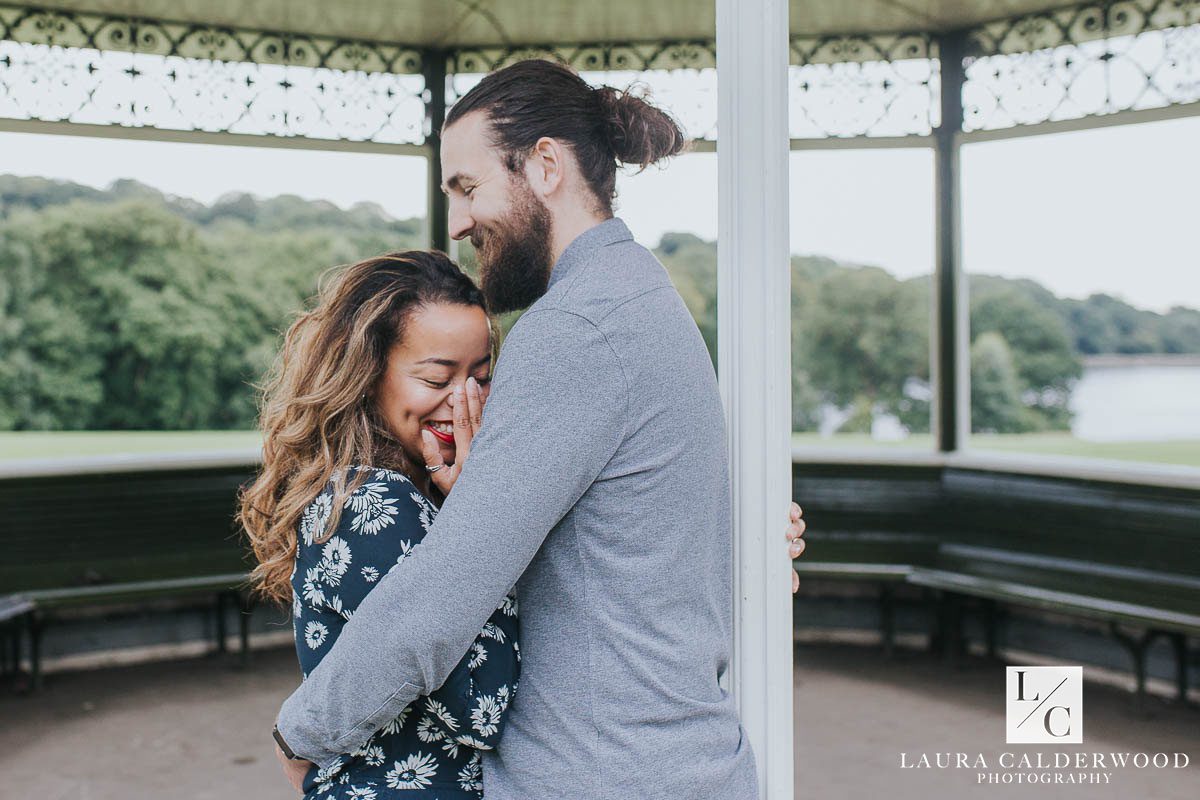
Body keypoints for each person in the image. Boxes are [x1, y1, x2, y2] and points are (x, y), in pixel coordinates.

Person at [273, 59, 807, 799]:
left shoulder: (576, 328)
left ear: (546, 165)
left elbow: (440, 599)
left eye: (467, 188)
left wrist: (304, 733)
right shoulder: (642, 298)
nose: (457, 223)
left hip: (602, 776)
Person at [240, 251, 519, 798]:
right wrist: (479, 512)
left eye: (481, 378)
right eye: (438, 377)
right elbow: (483, 707)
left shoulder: (406, 489)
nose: (464, 401)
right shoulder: (375, 506)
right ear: (367, 376)